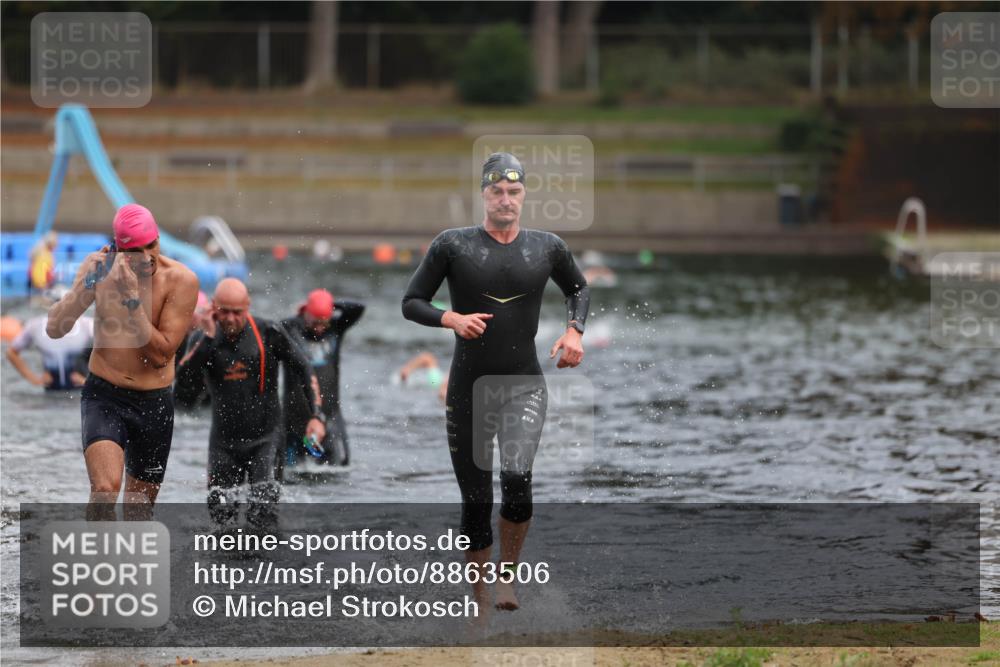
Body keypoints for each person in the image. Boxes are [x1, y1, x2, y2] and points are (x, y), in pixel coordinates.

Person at [402, 152, 590, 613]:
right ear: (484, 194)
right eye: (496, 191)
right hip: (468, 388)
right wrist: (451, 318)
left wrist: (574, 331)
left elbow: (579, 289)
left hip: (524, 383)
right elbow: (411, 302)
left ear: (524, 195)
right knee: (476, 497)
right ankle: (479, 602)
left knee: (517, 477)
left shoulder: (547, 247)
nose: (505, 199)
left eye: (514, 191)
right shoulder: (453, 245)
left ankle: (507, 578)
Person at [46, 204, 199, 517]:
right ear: (117, 250)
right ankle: (97, 563)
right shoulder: (98, 269)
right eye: (135, 252)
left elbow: (160, 355)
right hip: (105, 396)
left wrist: (132, 301)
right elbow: (55, 329)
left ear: (159, 240)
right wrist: (84, 286)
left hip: (154, 403)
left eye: (151, 246)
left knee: (138, 513)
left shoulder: (181, 281)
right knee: (104, 490)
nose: (147, 258)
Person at [175, 278, 325, 531]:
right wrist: (209, 339)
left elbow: (303, 367)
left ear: (248, 307)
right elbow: (183, 388)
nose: (231, 319)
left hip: (265, 439)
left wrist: (316, 415)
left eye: (238, 312)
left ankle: (266, 568)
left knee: (263, 518)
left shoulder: (268, 332)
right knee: (221, 522)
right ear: (213, 307)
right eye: (225, 311)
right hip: (223, 443)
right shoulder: (202, 340)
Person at [279, 288, 364, 473]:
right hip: (295, 424)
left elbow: (358, 308)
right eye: (315, 322)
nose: (319, 328)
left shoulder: (335, 328)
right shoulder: (290, 328)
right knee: (290, 475)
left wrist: (329, 304)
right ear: (305, 313)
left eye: (323, 322)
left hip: (330, 420)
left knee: (339, 471)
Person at [6, 288, 94, 390]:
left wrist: (88, 382)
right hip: (50, 392)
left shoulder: (86, 324)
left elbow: (110, 351)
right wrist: (34, 380)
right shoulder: (36, 325)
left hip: (79, 392)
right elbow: (11, 352)